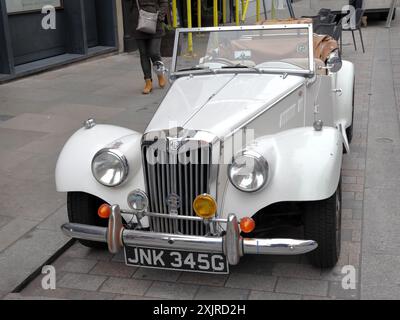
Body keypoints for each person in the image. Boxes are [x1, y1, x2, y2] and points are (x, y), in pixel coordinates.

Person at [132, 0, 168, 94]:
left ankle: (160, 74)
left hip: (155, 23)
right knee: (143, 54)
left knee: (154, 52)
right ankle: (148, 82)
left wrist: (159, 16)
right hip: (139, 23)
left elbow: (164, 2)